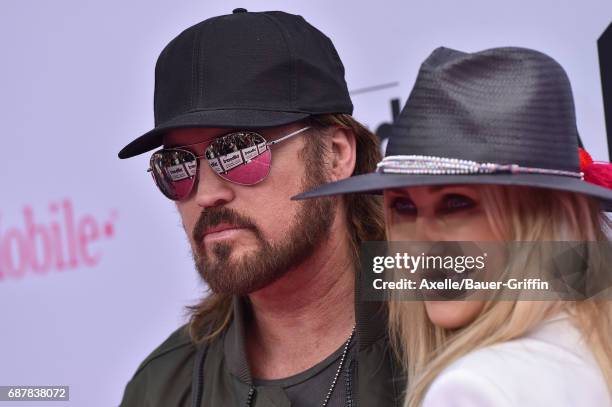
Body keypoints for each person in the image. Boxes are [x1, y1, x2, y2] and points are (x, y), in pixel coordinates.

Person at [295, 47, 612, 406]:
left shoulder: (475, 388)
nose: (419, 241)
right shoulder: (589, 354)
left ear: (544, 217)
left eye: (457, 203)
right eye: (403, 206)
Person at [117, 8, 402, 407]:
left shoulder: (455, 315)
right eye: (177, 165)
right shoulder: (163, 388)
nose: (205, 194)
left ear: (336, 156)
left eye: (239, 151)